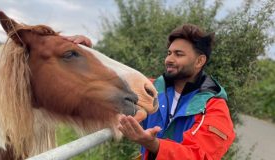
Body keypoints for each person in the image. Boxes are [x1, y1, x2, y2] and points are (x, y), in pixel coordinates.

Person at [65, 24, 235, 160]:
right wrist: (87, 55)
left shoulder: (214, 108)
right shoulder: (151, 88)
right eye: (169, 53)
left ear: (199, 61)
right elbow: (109, 84)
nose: (169, 59)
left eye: (178, 54)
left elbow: (200, 156)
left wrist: (154, 145)